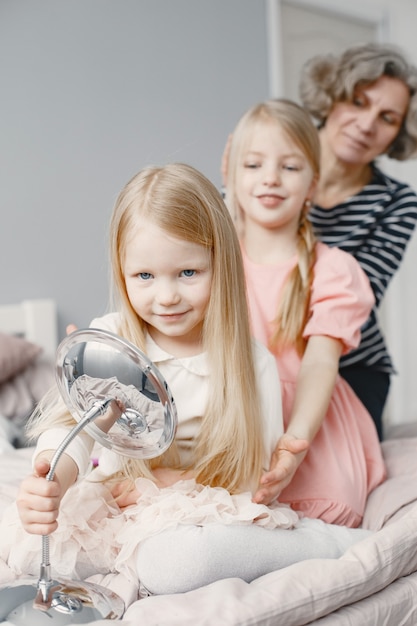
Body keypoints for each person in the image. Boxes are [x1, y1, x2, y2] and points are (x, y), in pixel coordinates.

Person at [1, 163, 371, 597]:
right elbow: (76, 430)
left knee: (175, 564)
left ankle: (322, 542)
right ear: (122, 272)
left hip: (203, 510)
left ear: (222, 265)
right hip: (121, 504)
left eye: (188, 273)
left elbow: (252, 480)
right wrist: (53, 483)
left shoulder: (251, 363)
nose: (167, 296)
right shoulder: (112, 341)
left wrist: (172, 484)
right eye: (144, 276)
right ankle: (139, 561)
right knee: (25, 547)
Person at [225, 99, 386, 528]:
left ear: (313, 184)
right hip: (238, 411)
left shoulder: (333, 269)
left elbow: (319, 362)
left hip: (308, 419)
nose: (271, 179)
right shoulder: (212, 262)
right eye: (254, 165)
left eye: (290, 167)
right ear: (230, 172)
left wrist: (293, 444)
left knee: (325, 510)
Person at [298, 42, 417, 440]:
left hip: (352, 365)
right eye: (357, 101)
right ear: (331, 97)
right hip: (261, 355)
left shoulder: (398, 202)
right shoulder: (268, 164)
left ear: (399, 133)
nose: (367, 124)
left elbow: (354, 297)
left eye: (387, 117)